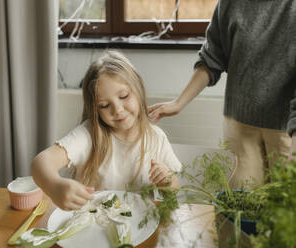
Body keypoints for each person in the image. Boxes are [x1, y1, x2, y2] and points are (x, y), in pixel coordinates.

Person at [148, 0, 296, 189]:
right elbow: (212, 57)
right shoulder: (231, 3)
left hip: (287, 130)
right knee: (236, 208)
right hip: (239, 126)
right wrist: (179, 103)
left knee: (284, 211)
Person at [32, 51, 181, 210]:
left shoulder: (156, 138)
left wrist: (168, 181)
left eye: (124, 96)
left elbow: (175, 187)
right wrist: (55, 187)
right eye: (104, 105)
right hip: (94, 226)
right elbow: (41, 162)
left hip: (142, 225)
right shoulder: (89, 135)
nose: (117, 110)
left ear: (139, 90)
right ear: (95, 109)